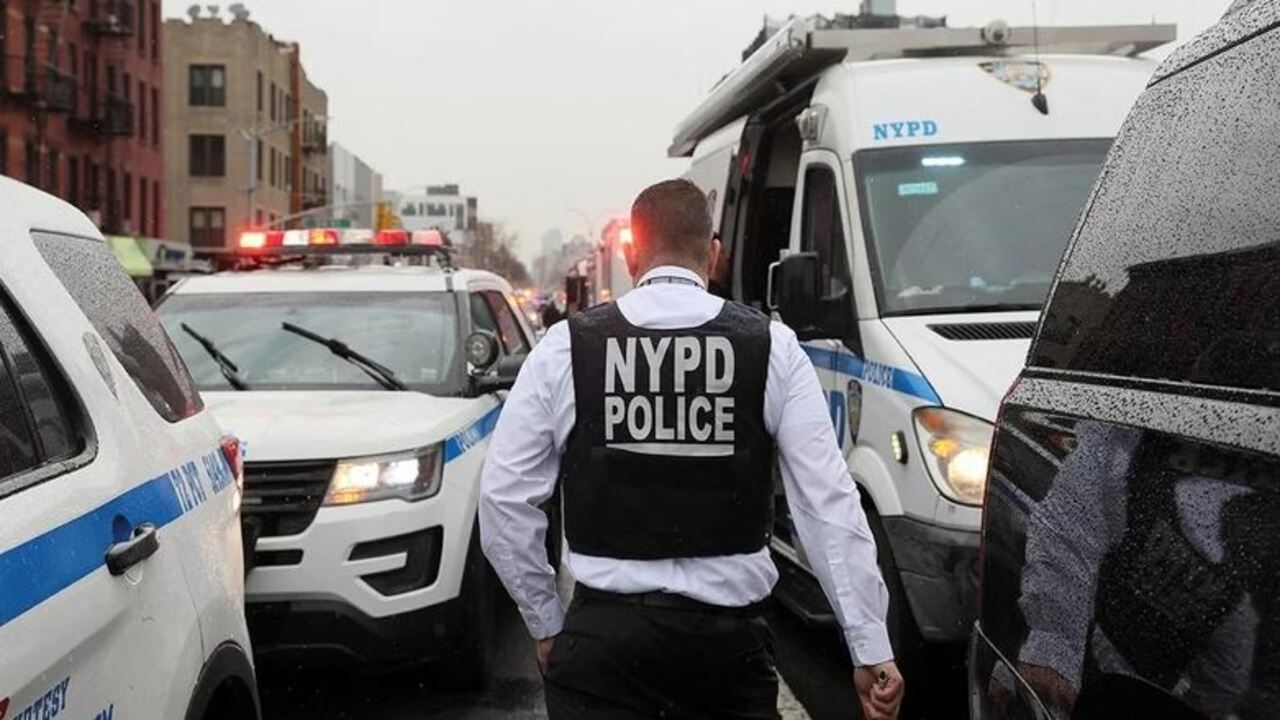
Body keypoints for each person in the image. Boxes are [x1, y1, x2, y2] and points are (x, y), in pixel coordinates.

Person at [480, 179, 904, 720]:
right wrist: (869, 644)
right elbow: (828, 505)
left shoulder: (567, 347)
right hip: (724, 658)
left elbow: (502, 501)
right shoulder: (771, 347)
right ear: (715, 253)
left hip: (602, 649)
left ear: (632, 254)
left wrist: (546, 623)